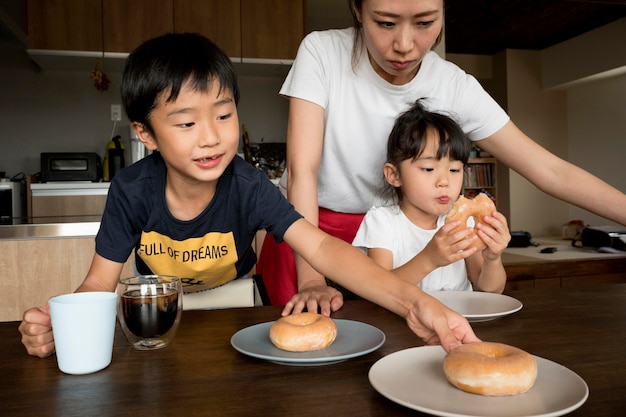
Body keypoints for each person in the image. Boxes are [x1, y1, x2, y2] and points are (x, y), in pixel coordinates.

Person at [18, 32, 479, 358]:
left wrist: (418, 303)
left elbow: (322, 248)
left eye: (223, 115)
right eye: (185, 123)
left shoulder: (249, 185)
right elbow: (99, 285)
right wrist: (62, 325)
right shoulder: (131, 190)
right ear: (146, 133)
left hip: (237, 308)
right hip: (161, 317)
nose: (211, 138)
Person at [257, 0, 626, 315]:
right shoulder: (322, 53)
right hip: (311, 230)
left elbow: (550, 169)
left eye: (425, 23)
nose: (404, 44)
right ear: (357, 10)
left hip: (400, 238)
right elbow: (303, 170)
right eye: (385, 23)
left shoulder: (453, 84)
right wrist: (311, 279)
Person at [352, 100, 510, 293]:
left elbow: (489, 291)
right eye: (428, 168)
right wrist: (429, 259)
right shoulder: (383, 223)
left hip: (458, 319)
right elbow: (378, 290)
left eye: (454, 169)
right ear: (394, 175)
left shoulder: (464, 224)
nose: (444, 181)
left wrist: (493, 259)